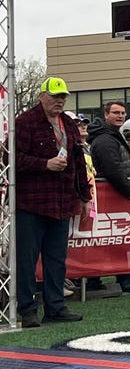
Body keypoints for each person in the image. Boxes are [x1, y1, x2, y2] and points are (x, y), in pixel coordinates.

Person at [14, 77, 92, 326]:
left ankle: (55, 307)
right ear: (41, 96)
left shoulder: (68, 123)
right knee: (27, 259)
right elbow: (12, 159)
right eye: (55, 96)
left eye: (63, 97)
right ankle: (27, 310)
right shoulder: (24, 123)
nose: (59, 101)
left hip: (62, 202)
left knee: (57, 259)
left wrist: (84, 197)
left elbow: (79, 162)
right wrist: (44, 164)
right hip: (31, 203)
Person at [88, 100, 130, 296]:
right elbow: (112, 169)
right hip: (113, 194)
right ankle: (123, 280)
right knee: (115, 239)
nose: (120, 116)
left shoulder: (111, 135)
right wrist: (129, 189)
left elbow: (117, 164)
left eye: (123, 113)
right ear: (105, 115)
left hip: (115, 193)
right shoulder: (105, 139)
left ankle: (109, 280)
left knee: (116, 238)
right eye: (116, 113)